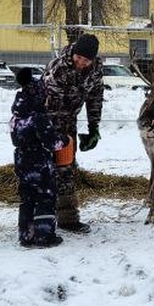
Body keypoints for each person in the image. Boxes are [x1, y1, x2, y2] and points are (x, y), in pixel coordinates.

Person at [41, 33, 104, 234]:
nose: (81, 63)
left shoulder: (95, 71)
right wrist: (59, 137)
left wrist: (94, 127)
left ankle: (67, 219)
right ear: (74, 53)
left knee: (67, 169)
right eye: (79, 58)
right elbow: (51, 103)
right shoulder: (58, 68)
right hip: (47, 123)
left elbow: (95, 97)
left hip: (69, 122)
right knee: (49, 170)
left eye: (86, 60)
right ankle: (41, 218)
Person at [11, 67, 69, 248]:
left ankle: (26, 236)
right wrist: (65, 140)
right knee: (45, 197)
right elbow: (51, 143)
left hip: (21, 161)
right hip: (40, 163)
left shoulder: (16, 116)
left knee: (27, 198)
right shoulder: (39, 118)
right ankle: (44, 236)